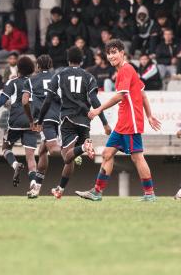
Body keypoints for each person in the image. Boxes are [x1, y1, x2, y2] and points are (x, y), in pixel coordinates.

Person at [76, 39, 161, 201]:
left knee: (137, 157)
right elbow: (142, 93)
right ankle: (97, 192)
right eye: (109, 53)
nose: (111, 56)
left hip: (130, 121)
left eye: (114, 52)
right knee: (108, 154)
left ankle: (150, 193)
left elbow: (120, 95)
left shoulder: (125, 70)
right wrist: (149, 115)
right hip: (123, 122)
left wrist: (98, 109)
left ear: (122, 53)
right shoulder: (128, 70)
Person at [35, 47, 111, 199]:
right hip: (85, 121)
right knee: (72, 158)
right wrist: (105, 123)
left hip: (68, 119)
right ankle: (60, 189)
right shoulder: (89, 76)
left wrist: (40, 120)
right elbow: (95, 100)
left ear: (68, 59)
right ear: (82, 60)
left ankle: (83, 147)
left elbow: (48, 100)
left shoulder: (60, 75)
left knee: (66, 157)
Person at [0, 56, 38, 190]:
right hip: (32, 122)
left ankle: (15, 165)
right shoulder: (35, 82)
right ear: (31, 70)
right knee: (31, 156)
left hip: (16, 122)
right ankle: (33, 184)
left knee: (5, 148)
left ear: (18, 69)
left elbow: (2, 100)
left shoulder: (12, 82)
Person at [21, 55, 61, 198]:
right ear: (50, 65)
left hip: (44, 118)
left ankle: (74, 152)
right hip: (58, 116)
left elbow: (25, 101)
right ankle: (36, 189)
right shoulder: (57, 77)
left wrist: (31, 120)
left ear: (37, 66)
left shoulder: (31, 81)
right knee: (42, 151)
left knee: (53, 149)